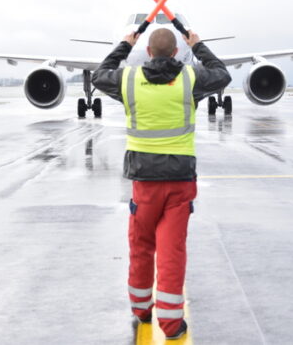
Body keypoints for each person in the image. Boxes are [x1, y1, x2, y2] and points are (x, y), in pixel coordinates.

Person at [92, 27, 231, 340]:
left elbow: (99, 74)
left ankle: (141, 309)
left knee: (141, 247)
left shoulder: (127, 80)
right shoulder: (191, 79)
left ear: (149, 52)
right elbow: (222, 74)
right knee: (172, 251)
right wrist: (199, 45)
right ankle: (171, 323)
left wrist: (125, 45)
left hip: (144, 184)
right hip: (180, 183)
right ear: (176, 52)